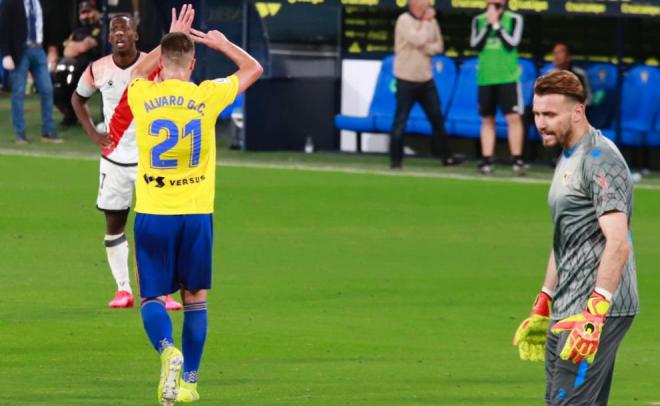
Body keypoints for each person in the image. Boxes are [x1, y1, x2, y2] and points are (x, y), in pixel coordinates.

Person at [126, 5, 263, 403]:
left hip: (154, 213)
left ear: (162, 63)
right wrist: (223, 44)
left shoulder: (143, 92)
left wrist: (165, 37)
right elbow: (253, 69)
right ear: (193, 63)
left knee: (152, 297)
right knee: (195, 300)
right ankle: (189, 383)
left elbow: (135, 72)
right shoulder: (207, 95)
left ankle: (167, 349)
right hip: (197, 215)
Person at [513, 70, 639, 405]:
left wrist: (595, 312)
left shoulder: (601, 160)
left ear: (578, 111)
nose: (541, 123)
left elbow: (618, 241)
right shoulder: (568, 154)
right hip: (568, 302)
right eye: (537, 114)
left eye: (550, 115)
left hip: (594, 309)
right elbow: (565, 236)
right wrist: (545, 298)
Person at [71, 13, 182, 311]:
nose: (119, 32)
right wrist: (94, 134)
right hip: (114, 160)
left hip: (150, 160)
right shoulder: (98, 69)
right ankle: (123, 290)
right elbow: (77, 99)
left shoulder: (153, 65)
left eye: (126, 28)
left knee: (158, 226)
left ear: (135, 35)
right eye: (114, 29)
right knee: (114, 224)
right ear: (109, 37)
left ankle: (166, 292)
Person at [390, 0, 456, 169]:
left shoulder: (432, 21)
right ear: (413, 3)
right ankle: (396, 162)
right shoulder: (404, 20)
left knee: (437, 119)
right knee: (400, 121)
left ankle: (447, 158)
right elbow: (418, 40)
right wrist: (426, 25)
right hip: (405, 79)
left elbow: (438, 46)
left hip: (426, 80)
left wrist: (425, 46)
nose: (427, 2)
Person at [470, 0, 524, 175]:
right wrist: (487, 26)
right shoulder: (478, 20)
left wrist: (497, 25)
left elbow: (512, 43)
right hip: (485, 78)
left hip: (507, 78)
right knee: (487, 119)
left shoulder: (514, 19)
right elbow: (475, 45)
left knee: (513, 118)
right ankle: (487, 159)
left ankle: (517, 159)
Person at [0, 0, 62, 144]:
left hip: (39, 49)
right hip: (20, 51)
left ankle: (48, 130)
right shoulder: (11, 3)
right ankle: (20, 133)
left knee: (47, 90)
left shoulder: (41, 3)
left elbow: (47, 25)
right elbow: (2, 28)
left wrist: (51, 49)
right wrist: (6, 54)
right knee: (19, 93)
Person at [55, 1, 102, 126]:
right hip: (74, 68)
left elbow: (84, 47)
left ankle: (101, 120)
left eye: (89, 12)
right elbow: (67, 52)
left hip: (94, 68)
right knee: (58, 89)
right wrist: (76, 46)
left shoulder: (100, 28)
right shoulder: (76, 31)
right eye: (83, 13)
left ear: (96, 12)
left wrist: (73, 46)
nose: (86, 16)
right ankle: (70, 115)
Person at [550, 42, 592, 107]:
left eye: (560, 52)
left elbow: (588, 99)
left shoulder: (580, 74)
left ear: (569, 56)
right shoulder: (547, 75)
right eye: (554, 52)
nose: (556, 55)